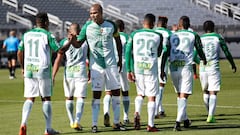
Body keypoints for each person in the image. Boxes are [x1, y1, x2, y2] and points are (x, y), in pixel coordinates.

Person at [18, 12, 75, 135]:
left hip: (29, 70)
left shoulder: (26, 35)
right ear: (46, 22)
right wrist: (70, 42)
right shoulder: (48, 35)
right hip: (43, 70)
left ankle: (23, 123)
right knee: (46, 99)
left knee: (30, 98)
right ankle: (48, 129)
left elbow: (19, 52)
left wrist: (23, 67)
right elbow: (59, 49)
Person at [76, 4, 125, 133]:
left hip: (111, 65)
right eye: (91, 13)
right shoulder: (87, 27)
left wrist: (119, 58)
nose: (93, 15)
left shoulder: (111, 25)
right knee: (96, 95)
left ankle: (116, 123)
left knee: (115, 93)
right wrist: (72, 41)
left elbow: (118, 41)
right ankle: (94, 124)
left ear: (101, 13)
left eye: (95, 13)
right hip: (96, 66)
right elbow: (78, 44)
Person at [161, 16, 207, 131]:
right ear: (189, 25)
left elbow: (166, 53)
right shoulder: (193, 35)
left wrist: (162, 69)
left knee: (180, 95)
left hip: (173, 67)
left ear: (179, 24)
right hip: (186, 67)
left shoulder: (172, 35)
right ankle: (177, 122)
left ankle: (185, 119)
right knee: (184, 95)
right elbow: (200, 50)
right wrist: (204, 59)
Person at [126, 13, 163, 132]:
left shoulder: (134, 34)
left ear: (143, 22)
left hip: (138, 68)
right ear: (153, 24)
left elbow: (128, 52)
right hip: (150, 68)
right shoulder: (158, 35)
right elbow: (159, 52)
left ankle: (137, 112)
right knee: (151, 97)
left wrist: (129, 70)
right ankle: (150, 125)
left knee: (140, 94)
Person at [52, 23, 88, 131]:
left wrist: (53, 75)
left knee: (69, 97)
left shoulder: (64, 42)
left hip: (69, 72)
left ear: (69, 32)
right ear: (80, 31)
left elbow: (58, 59)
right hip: (80, 71)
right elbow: (91, 56)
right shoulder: (85, 41)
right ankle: (77, 121)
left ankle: (72, 121)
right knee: (80, 97)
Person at [200, 20, 236, 123]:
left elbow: (195, 53)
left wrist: (198, 62)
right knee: (213, 92)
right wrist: (232, 64)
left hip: (203, 68)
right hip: (213, 67)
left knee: (205, 91)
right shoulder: (218, 37)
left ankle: (209, 113)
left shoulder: (200, 38)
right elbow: (226, 51)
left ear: (204, 28)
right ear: (213, 27)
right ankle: (211, 116)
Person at [103, 19, 131, 126]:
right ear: (123, 28)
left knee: (109, 91)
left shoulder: (109, 35)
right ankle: (126, 117)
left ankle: (106, 111)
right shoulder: (126, 37)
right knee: (124, 91)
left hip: (110, 63)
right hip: (122, 63)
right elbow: (128, 52)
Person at [154, 16, 172, 118]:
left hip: (152, 60)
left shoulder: (153, 31)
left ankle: (160, 108)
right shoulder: (169, 33)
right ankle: (156, 109)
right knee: (161, 85)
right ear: (165, 24)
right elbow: (169, 49)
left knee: (154, 84)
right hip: (162, 60)